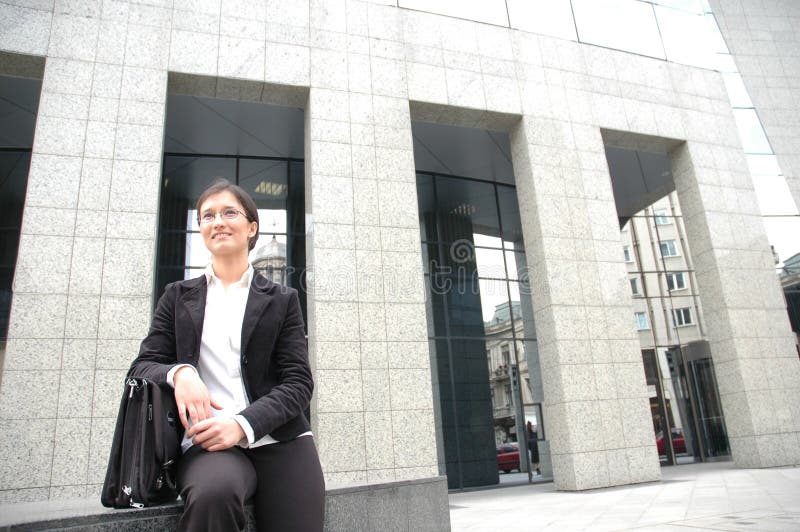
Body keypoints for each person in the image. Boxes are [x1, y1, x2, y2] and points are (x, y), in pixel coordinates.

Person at [128, 178, 325, 531]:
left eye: (229, 212)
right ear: (201, 230)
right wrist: (181, 373)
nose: (217, 221)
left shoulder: (283, 300)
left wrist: (242, 424)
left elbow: (298, 383)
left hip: (281, 439)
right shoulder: (177, 296)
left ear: (251, 227)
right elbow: (143, 366)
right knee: (212, 496)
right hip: (209, 443)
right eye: (207, 216)